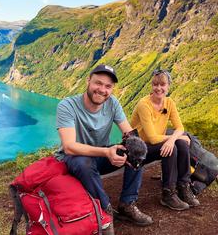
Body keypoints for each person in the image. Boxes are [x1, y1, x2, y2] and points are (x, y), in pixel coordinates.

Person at [55, 64, 153, 230]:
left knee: (136, 151)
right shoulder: (67, 105)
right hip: (74, 160)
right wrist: (107, 152)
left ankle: (127, 204)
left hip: (100, 156)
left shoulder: (112, 103)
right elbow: (69, 147)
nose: (102, 89)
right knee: (83, 162)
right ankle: (105, 209)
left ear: (112, 89)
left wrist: (135, 147)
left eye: (108, 86)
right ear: (88, 81)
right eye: (98, 83)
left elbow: (128, 131)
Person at [130, 69, 199, 210]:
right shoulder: (144, 105)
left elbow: (180, 127)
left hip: (155, 142)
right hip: (138, 146)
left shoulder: (169, 103)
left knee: (181, 143)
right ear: (151, 85)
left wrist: (174, 138)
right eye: (155, 84)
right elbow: (152, 138)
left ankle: (183, 186)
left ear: (168, 86)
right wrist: (175, 138)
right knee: (172, 146)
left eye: (162, 84)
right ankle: (168, 193)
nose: (158, 88)